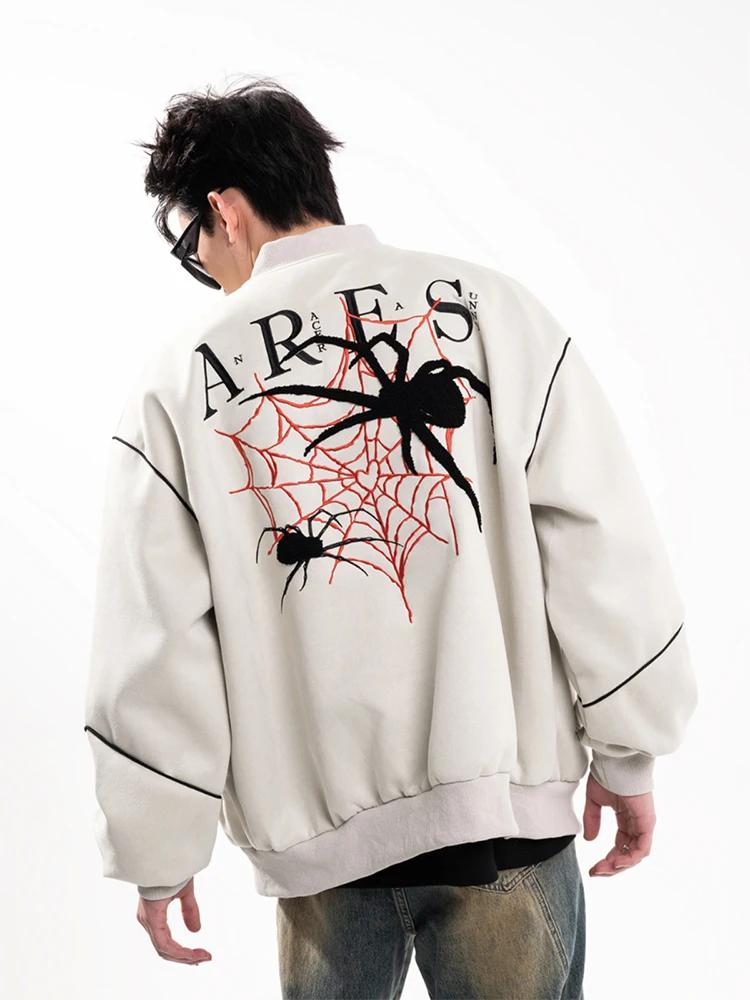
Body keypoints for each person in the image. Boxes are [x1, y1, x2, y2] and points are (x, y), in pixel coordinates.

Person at [83, 77, 698, 999]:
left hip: (324, 854)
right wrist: (628, 748)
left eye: (191, 244)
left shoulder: (173, 385)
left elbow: (156, 643)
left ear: (225, 210)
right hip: (509, 820)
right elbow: (602, 539)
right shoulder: (500, 311)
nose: (203, 266)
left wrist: (157, 853)